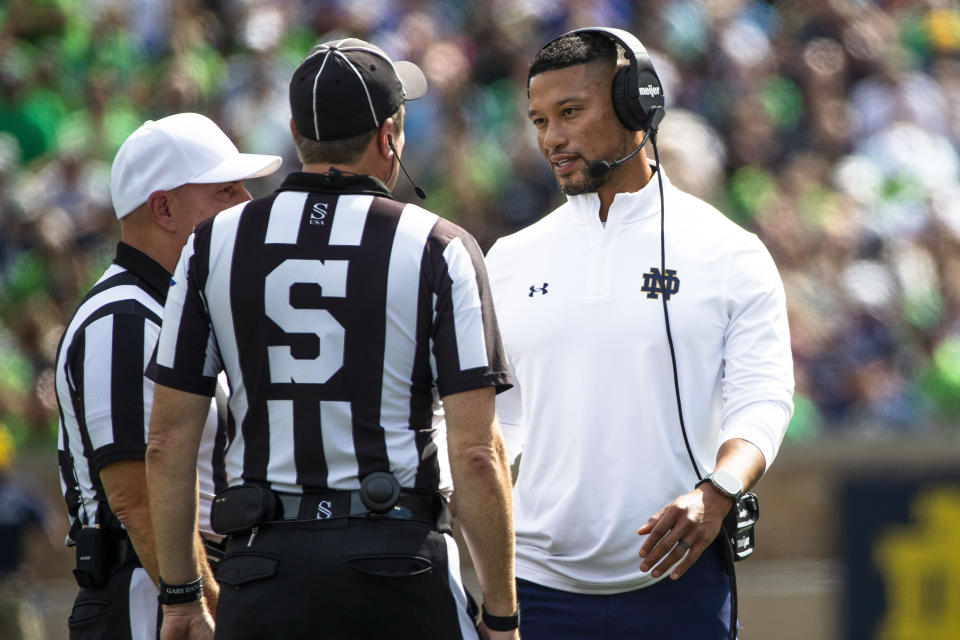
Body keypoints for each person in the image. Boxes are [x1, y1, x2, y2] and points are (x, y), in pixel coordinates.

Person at [144, 38, 519, 640]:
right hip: (397, 560)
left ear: (296, 131)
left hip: (263, 565)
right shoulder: (439, 246)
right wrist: (502, 615)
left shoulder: (214, 242)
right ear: (388, 134)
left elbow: (165, 443)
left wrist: (183, 593)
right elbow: (476, 454)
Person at [484, 28, 794, 638]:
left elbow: (763, 399)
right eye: (540, 120)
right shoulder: (507, 260)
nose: (552, 138)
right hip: (539, 591)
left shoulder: (730, 252)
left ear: (636, 107)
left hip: (682, 583)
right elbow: (498, 425)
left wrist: (719, 490)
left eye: (571, 112)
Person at [55, 112, 281, 640]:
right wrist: (196, 600)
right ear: (164, 208)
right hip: (147, 592)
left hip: (169, 583)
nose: (246, 202)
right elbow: (135, 497)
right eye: (225, 190)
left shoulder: (166, 310)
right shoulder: (124, 319)